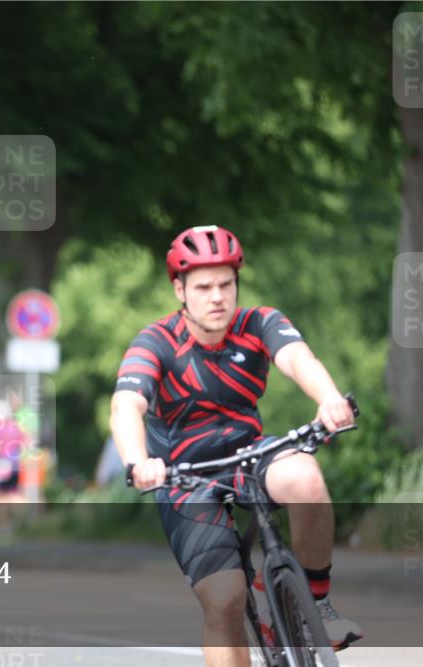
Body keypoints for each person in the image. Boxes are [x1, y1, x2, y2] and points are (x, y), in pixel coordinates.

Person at [110, 225, 362, 665]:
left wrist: (328, 400)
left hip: (249, 455)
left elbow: (299, 360)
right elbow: (126, 405)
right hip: (183, 476)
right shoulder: (156, 342)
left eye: (226, 284)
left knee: (304, 475)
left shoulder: (259, 323)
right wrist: (137, 462)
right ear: (179, 289)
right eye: (204, 286)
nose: (217, 296)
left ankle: (315, 606)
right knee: (225, 599)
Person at [0, 399, 27, 539]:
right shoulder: (16, 426)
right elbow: (25, 444)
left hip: (2, 464)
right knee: (15, 494)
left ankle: (4, 528)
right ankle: (23, 521)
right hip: (17, 464)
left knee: (0, 497)